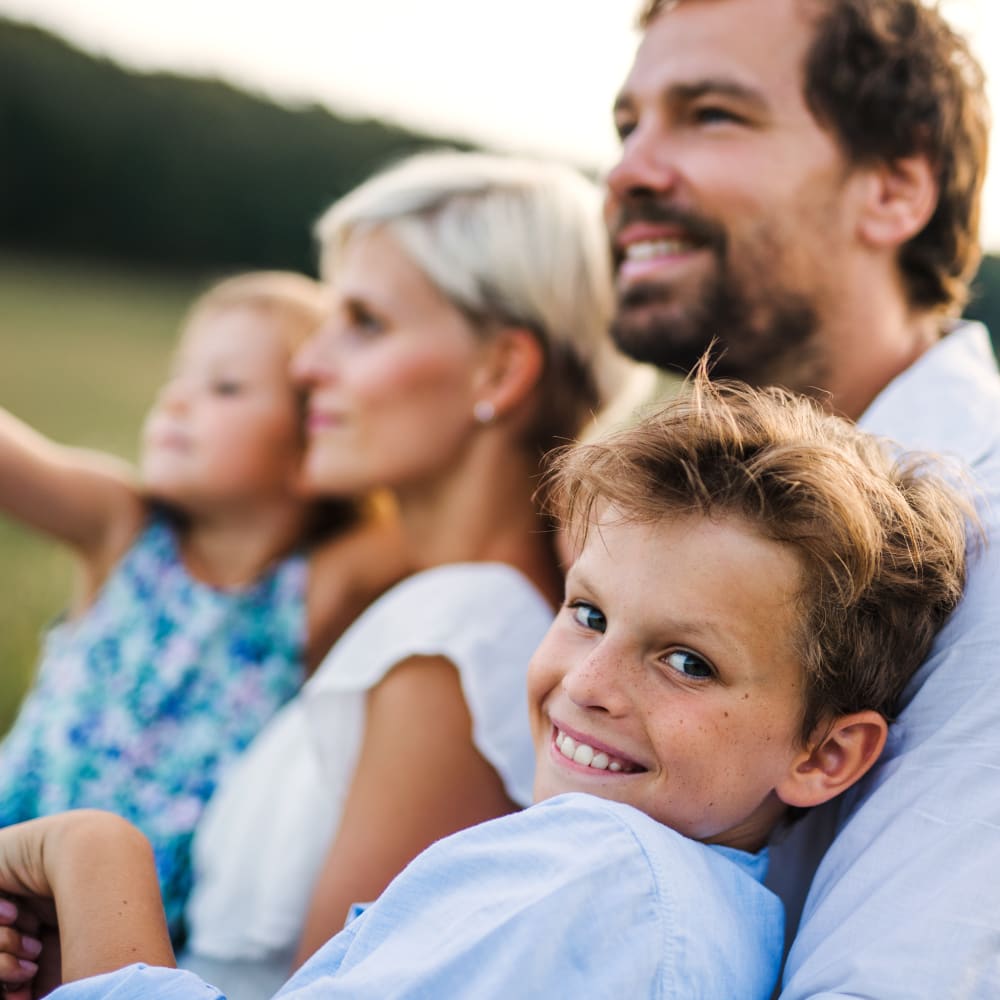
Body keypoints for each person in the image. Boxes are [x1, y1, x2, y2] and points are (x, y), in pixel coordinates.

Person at [0, 372, 971, 999]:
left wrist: (92, 853)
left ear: (824, 753)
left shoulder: (592, 877)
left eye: (686, 661)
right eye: (587, 613)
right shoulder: (685, 909)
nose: (586, 684)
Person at [605, 0, 998, 995]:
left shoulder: (983, 540)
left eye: (711, 115)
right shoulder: (655, 508)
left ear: (894, 187)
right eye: (627, 125)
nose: (628, 172)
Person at [169, 150, 630, 999]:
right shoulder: (425, 605)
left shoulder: (460, 637)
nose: (308, 364)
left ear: (500, 371)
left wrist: (89, 878)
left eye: (365, 322)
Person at [0, 271, 404, 942]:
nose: (175, 401)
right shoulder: (122, 528)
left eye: (225, 387)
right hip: (13, 859)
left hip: (133, 940)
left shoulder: (317, 588)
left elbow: (454, 515)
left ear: (315, 431)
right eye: (179, 377)